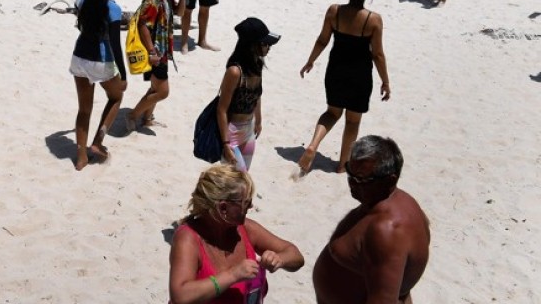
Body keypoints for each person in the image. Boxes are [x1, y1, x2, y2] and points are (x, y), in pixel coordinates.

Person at [313, 136, 431, 304]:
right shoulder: (399, 202)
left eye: (361, 179)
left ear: (390, 180)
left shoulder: (386, 232)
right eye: (350, 173)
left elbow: (384, 299)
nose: (352, 184)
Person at [168, 164, 304, 304]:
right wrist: (233, 275)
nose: (250, 206)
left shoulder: (246, 229)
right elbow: (180, 296)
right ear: (223, 208)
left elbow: (296, 256)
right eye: (246, 202)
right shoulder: (188, 238)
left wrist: (279, 259)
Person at [298, 0, 390, 175]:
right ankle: (342, 165)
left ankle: (313, 144)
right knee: (353, 121)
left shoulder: (334, 11)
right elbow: (377, 54)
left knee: (332, 113)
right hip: (360, 74)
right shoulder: (373, 20)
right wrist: (385, 81)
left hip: (336, 69)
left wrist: (310, 60)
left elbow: (322, 40)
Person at [68, 0, 126, 170]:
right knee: (116, 96)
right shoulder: (113, 8)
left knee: (84, 110)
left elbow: (82, 28)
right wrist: (124, 73)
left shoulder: (83, 1)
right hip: (101, 60)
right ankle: (98, 141)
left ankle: (81, 157)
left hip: (80, 57)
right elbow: (115, 45)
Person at [216, 18, 279, 171]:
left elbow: (257, 95)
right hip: (232, 132)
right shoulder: (235, 72)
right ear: (252, 45)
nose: (269, 47)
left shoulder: (257, 64)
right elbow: (221, 109)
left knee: (243, 177)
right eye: (265, 43)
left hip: (249, 129)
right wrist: (225, 144)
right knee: (238, 178)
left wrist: (258, 120)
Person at [125, 0, 180, 131]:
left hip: (163, 50)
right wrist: (151, 51)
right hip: (155, 50)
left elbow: (180, 12)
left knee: (155, 87)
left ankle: (147, 118)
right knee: (163, 91)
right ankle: (133, 115)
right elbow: (143, 25)